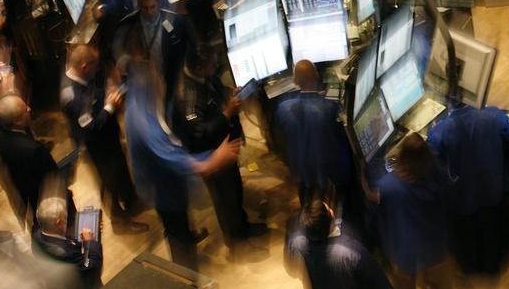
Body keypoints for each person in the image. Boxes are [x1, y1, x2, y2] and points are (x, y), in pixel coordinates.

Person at [125, 61, 240, 271]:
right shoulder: (143, 120)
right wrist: (212, 160)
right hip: (162, 186)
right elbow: (171, 157)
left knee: (181, 221)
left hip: (173, 182)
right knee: (176, 233)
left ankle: (187, 236)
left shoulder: (155, 99)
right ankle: (187, 283)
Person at [171, 43, 267, 252]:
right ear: (198, 67)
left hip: (224, 146)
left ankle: (241, 226)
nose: (215, 68)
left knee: (234, 191)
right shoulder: (189, 96)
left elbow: (214, 88)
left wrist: (229, 95)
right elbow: (198, 134)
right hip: (212, 155)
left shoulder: (202, 76)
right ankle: (236, 241)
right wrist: (227, 114)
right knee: (225, 199)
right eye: (211, 65)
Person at [61, 44, 148, 235]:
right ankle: (120, 223)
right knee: (110, 186)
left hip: (109, 137)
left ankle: (132, 202)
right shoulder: (72, 97)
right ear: (84, 66)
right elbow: (90, 129)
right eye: (94, 65)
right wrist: (109, 107)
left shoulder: (85, 75)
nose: (97, 69)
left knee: (121, 171)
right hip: (96, 147)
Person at [368, 133, 454, 289]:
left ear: (403, 156)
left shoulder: (388, 185)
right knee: (440, 281)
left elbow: (375, 204)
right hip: (434, 241)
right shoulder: (437, 172)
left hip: (404, 249)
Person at [427, 101, 509, 275]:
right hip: (492, 189)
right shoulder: (494, 115)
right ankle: (491, 274)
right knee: (492, 233)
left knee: (467, 238)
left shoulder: (439, 131)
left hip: (462, 196)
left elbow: (433, 167)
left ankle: (471, 274)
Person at [285, 196, 397, 289]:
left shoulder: (297, 244)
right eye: (329, 209)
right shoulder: (350, 252)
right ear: (331, 221)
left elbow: (292, 269)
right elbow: (376, 281)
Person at [275, 60, 353, 205]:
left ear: (295, 81)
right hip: (328, 173)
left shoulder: (283, 108)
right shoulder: (330, 108)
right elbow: (341, 137)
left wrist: (316, 100)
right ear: (317, 75)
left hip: (301, 172)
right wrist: (321, 101)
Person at [113, 0, 192, 106]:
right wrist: (131, 61)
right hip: (142, 82)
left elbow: (185, 48)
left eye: (152, 7)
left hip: (168, 77)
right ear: (139, 5)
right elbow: (118, 54)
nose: (149, 12)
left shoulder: (175, 21)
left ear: (159, 4)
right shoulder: (127, 25)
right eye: (145, 8)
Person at [0, 95, 60, 230]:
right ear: (17, 121)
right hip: (41, 197)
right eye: (25, 110)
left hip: (18, 192)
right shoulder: (35, 151)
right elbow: (53, 178)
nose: (29, 109)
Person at [31, 196, 103, 289]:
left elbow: (64, 241)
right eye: (65, 218)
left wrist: (79, 241)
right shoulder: (65, 253)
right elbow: (91, 266)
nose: (67, 221)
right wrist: (90, 242)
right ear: (59, 222)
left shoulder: (37, 235)